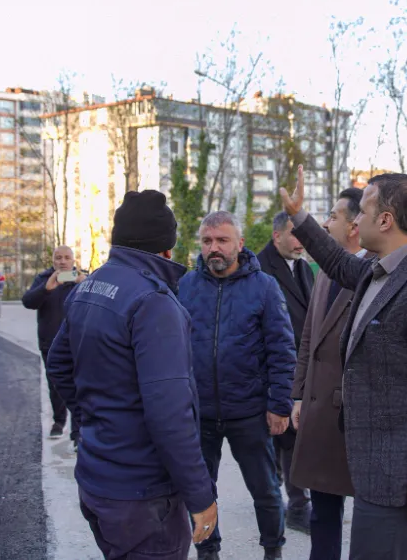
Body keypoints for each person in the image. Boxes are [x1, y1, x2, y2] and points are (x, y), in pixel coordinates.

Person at [280, 167, 407, 560]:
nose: (356, 221)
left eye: (363, 213)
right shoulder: (379, 270)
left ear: (385, 220)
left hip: (400, 480)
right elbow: (337, 262)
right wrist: (299, 216)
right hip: (376, 472)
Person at [46, 190, 218, 560]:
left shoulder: (89, 286)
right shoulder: (154, 303)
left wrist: (95, 419)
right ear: (166, 249)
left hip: (97, 479)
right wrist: (201, 496)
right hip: (142, 495)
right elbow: (170, 414)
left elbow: (58, 363)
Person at [178, 210, 296, 560]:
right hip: (200, 412)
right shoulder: (185, 286)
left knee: (266, 490)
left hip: (249, 411)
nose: (214, 248)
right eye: (207, 241)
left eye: (222, 240)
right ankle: (207, 551)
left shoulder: (264, 287)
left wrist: (279, 405)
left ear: (240, 244)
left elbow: (282, 349)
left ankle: (273, 550)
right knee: (200, 491)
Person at [289, 187, 365, 560]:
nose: (326, 222)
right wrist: (299, 394)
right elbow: (309, 338)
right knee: (323, 515)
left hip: (356, 418)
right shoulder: (324, 274)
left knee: (373, 522)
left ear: (354, 226)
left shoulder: (375, 274)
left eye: (333, 216)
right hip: (319, 414)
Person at [256, 210, 313, 533]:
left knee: (288, 435)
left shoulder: (303, 268)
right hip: (272, 368)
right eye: (295, 233)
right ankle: (297, 505)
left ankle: (282, 495)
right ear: (277, 236)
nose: (301, 240)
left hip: (300, 368)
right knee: (287, 434)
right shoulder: (260, 267)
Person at [22, 245, 87, 447]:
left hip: (79, 341)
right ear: (53, 260)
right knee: (56, 384)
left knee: (80, 386)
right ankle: (59, 421)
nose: (62, 261)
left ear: (73, 260)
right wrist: (46, 289)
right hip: (50, 342)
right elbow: (28, 302)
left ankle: (78, 432)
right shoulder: (44, 279)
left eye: (67, 257)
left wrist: (85, 284)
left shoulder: (83, 278)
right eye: (58, 257)